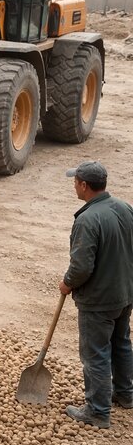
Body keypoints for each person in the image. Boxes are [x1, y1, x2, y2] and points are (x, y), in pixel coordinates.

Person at [59, 161, 133, 429]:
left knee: (95, 353)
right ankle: (125, 394)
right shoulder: (125, 208)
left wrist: (67, 283)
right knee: (121, 343)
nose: (73, 185)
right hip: (125, 293)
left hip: (99, 300)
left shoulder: (88, 219)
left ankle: (98, 411)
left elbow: (81, 267)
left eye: (75, 181)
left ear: (84, 185)